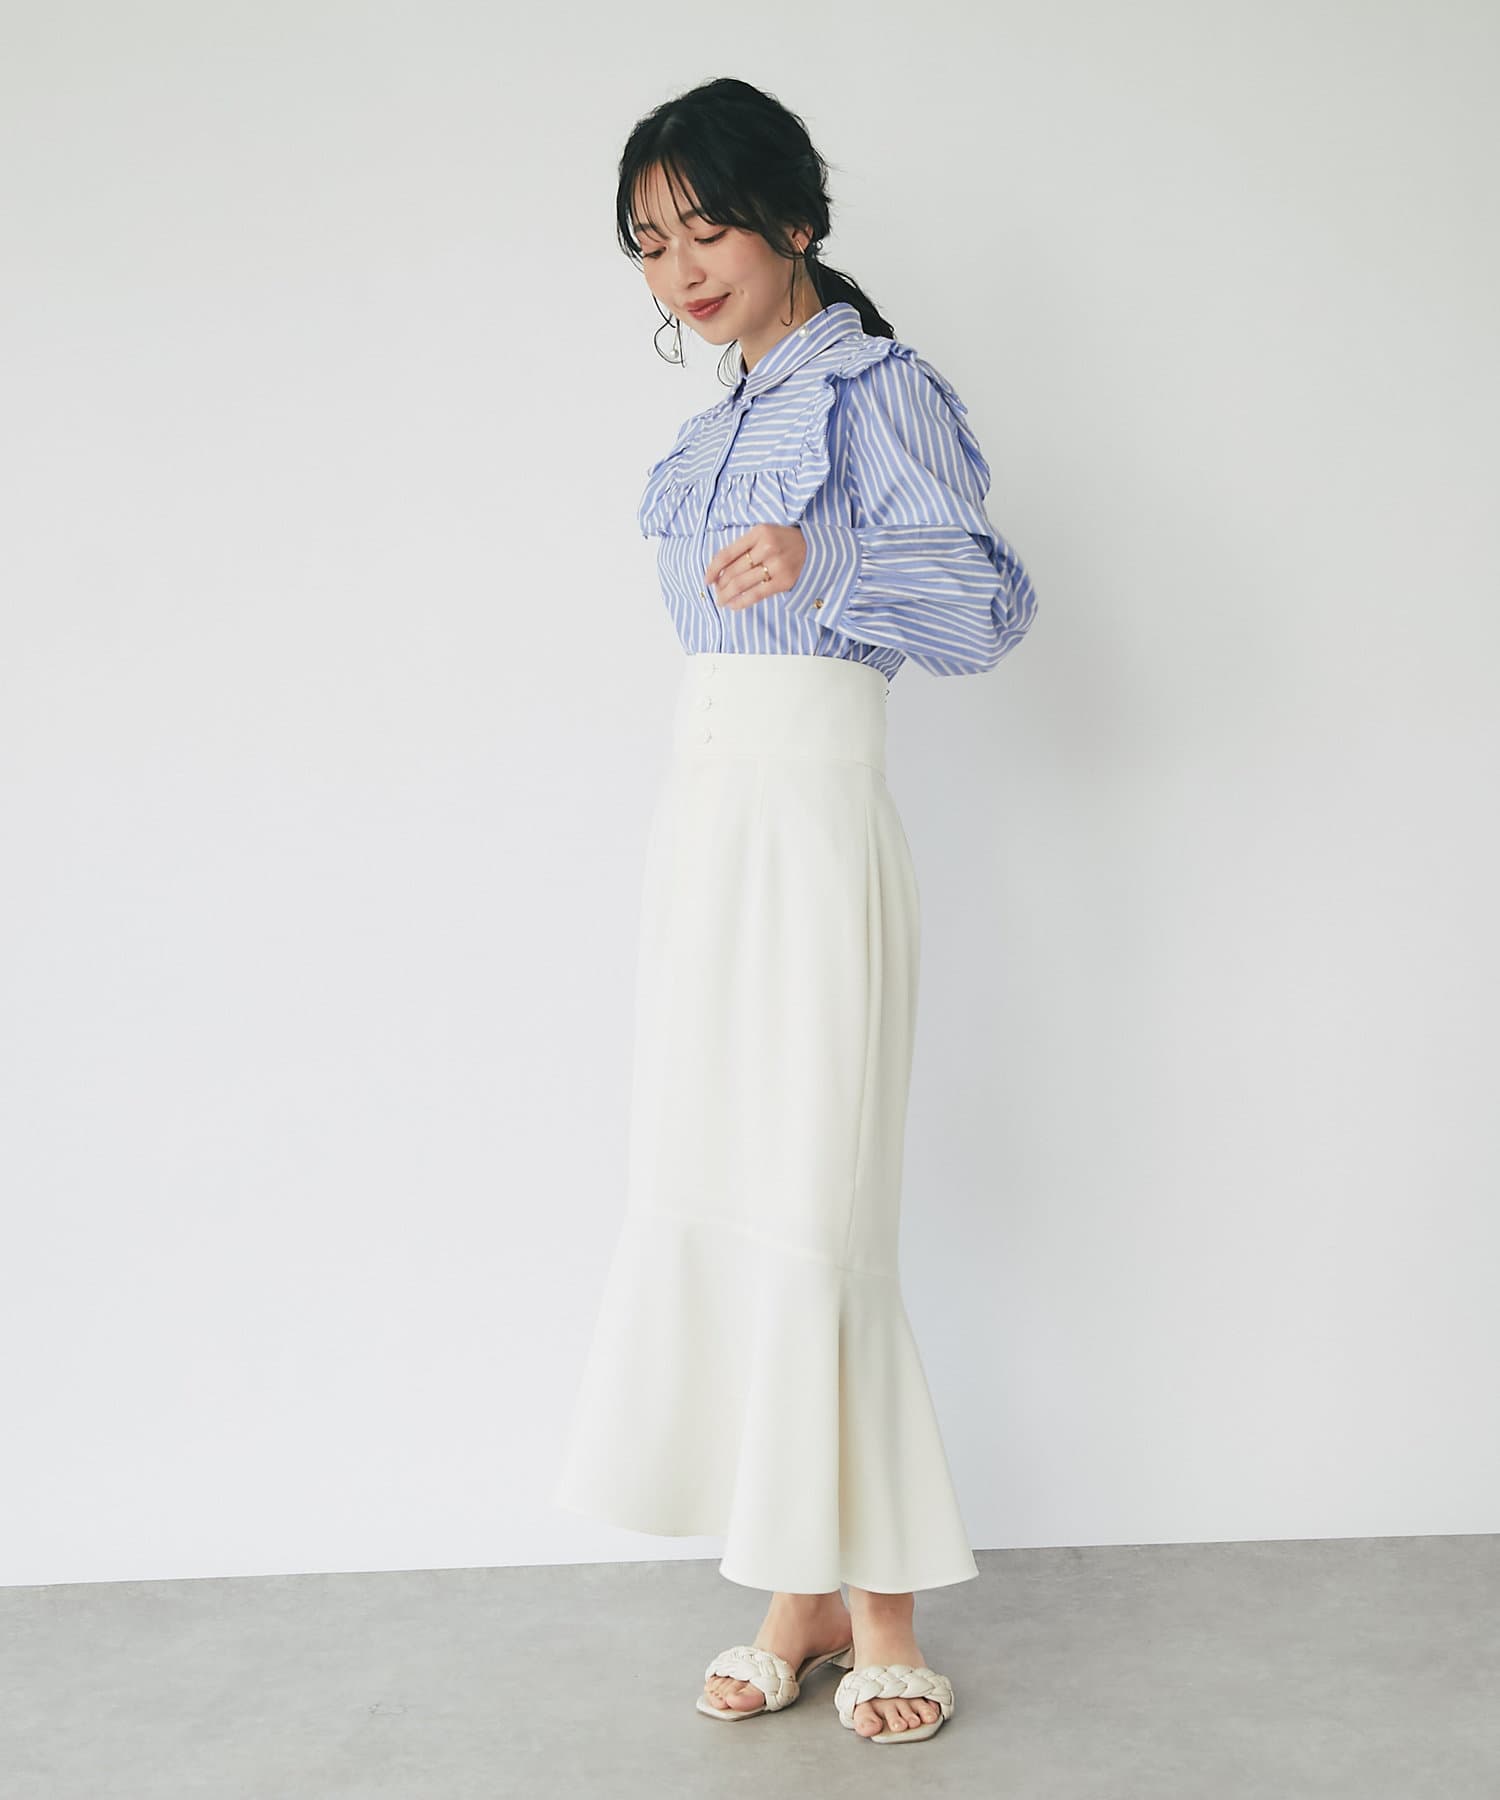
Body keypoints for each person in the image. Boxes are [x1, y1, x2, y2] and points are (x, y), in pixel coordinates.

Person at [552, 76, 1038, 1746]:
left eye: (704, 228)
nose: (678, 268)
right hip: (705, 828)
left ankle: (879, 1611)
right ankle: (797, 1589)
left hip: (817, 832)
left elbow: (989, 610)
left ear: (794, 222)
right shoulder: (713, 432)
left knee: (823, 1211)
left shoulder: (878, 390)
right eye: (648, 242)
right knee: (728, 1188)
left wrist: (827, 564)